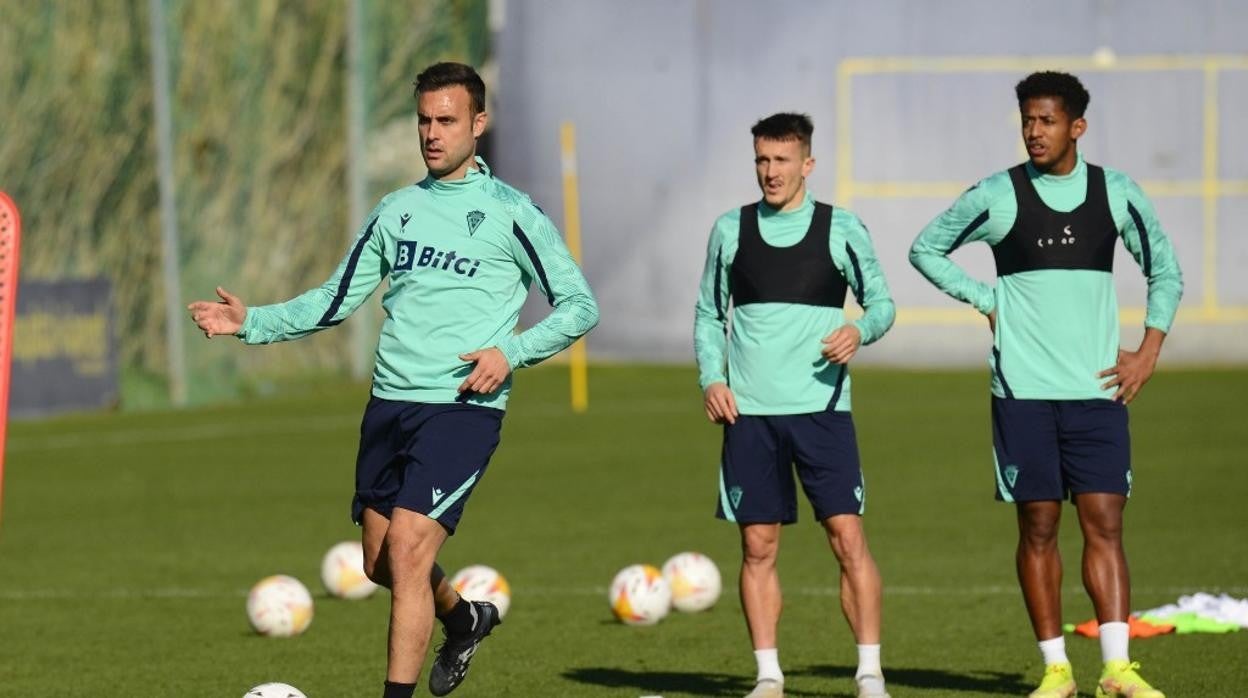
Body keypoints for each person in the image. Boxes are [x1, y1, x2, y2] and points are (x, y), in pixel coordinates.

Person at [188, 62, 599, 698]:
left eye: (447, 120)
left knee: (408, 550)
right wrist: (252, 323)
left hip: (462, 407)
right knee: (380, 563)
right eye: (424, 121)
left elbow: (579, 304)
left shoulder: (511, 213)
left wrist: (511, 354)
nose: (432, 133)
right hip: (388, 407)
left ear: (478, 124)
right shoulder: (395, 210)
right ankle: (464, 619)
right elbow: (336, 297)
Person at [909, 71, 1182, 698]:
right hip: (1022, 390)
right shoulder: (999, 195)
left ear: (1077, 127)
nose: (1034, 131)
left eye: (1047, 121)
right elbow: (926, 248)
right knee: (1037, 526)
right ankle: (1056, 670)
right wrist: (986, 300)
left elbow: (1164, 270)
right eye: (1028, 120)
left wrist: (1148, 351)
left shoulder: (1116, 194)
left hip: (1097, 390)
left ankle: (1116, 670)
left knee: (1104, 522)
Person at [693, 113, 896, 698]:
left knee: (846, 538)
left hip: (822, 411)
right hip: (748, 414)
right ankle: (768, 677)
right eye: (761, 159)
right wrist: (713, 377)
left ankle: (869, 674)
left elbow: (881, 303)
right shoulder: (730, 230)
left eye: (781, 160)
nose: (769, 171)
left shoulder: (842, 229)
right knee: (757, 546)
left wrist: (859, 331)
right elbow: (709, 314)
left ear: (807, 164)